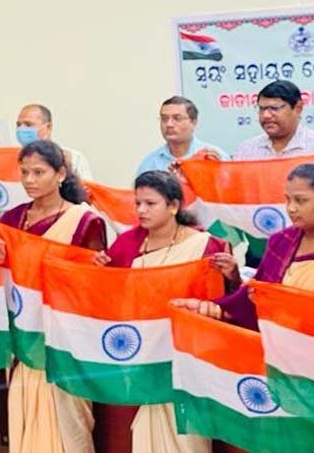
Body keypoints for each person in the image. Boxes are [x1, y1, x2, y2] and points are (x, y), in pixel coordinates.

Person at [0, 139, 105, 453]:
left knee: (66, 428)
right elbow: (0, 276)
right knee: (27, 418)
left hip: (64, 341)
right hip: (25, 341)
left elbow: (94, 286)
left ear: (60, 174)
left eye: (38, 172)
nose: (29, 180)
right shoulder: (12, 219)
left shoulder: (84, 221)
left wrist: (95, 268)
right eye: (24, 172)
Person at [93, 171, 232, 453]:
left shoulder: (204, 245)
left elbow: (223, 303)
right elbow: (111, 296)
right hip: (145, 355)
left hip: (187, 355)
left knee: (187, 438)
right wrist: (99, 271)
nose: (141, 210)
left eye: (150, 203)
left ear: (174, 206)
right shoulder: (127, 244)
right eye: (138, 203)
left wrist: (232, 275)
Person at [175, 163, 314, 329]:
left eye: (301, 200)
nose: (291, 208)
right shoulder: (281, 241)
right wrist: (214, 309)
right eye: (288, 199)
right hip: (275, 346)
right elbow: (256, 296)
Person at [230, 80, 314, 160]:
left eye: (274, 108)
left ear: (298, 108)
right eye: (262, 109)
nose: (266, 115)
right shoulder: (245, 151)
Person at [135, 96, 227, 177]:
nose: (169, 124)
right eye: (164, 119)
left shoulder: (215, 157)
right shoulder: (149, 164)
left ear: (193, 122)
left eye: (177, 118)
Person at [15, 104, 94, 180]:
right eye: (18, 125)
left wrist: (68, 171)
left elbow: (88, 188)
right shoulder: (13, 159)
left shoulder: (74, 158)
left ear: (48, 127)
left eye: (28, 124)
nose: (21, 129)